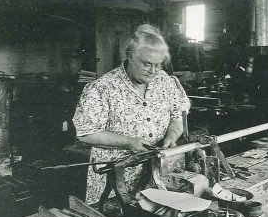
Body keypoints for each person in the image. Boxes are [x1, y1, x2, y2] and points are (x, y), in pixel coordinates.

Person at [72, 24, 190, 205]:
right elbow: (86, 133)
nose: (153, 71)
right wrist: (128, 142)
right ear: (129, 56)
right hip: (114, 182)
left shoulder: (165, 82)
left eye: (158, 65)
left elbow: (178, 115)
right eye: (146, 64)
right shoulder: (103, 88)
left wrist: (172, 135)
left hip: (159, 175)